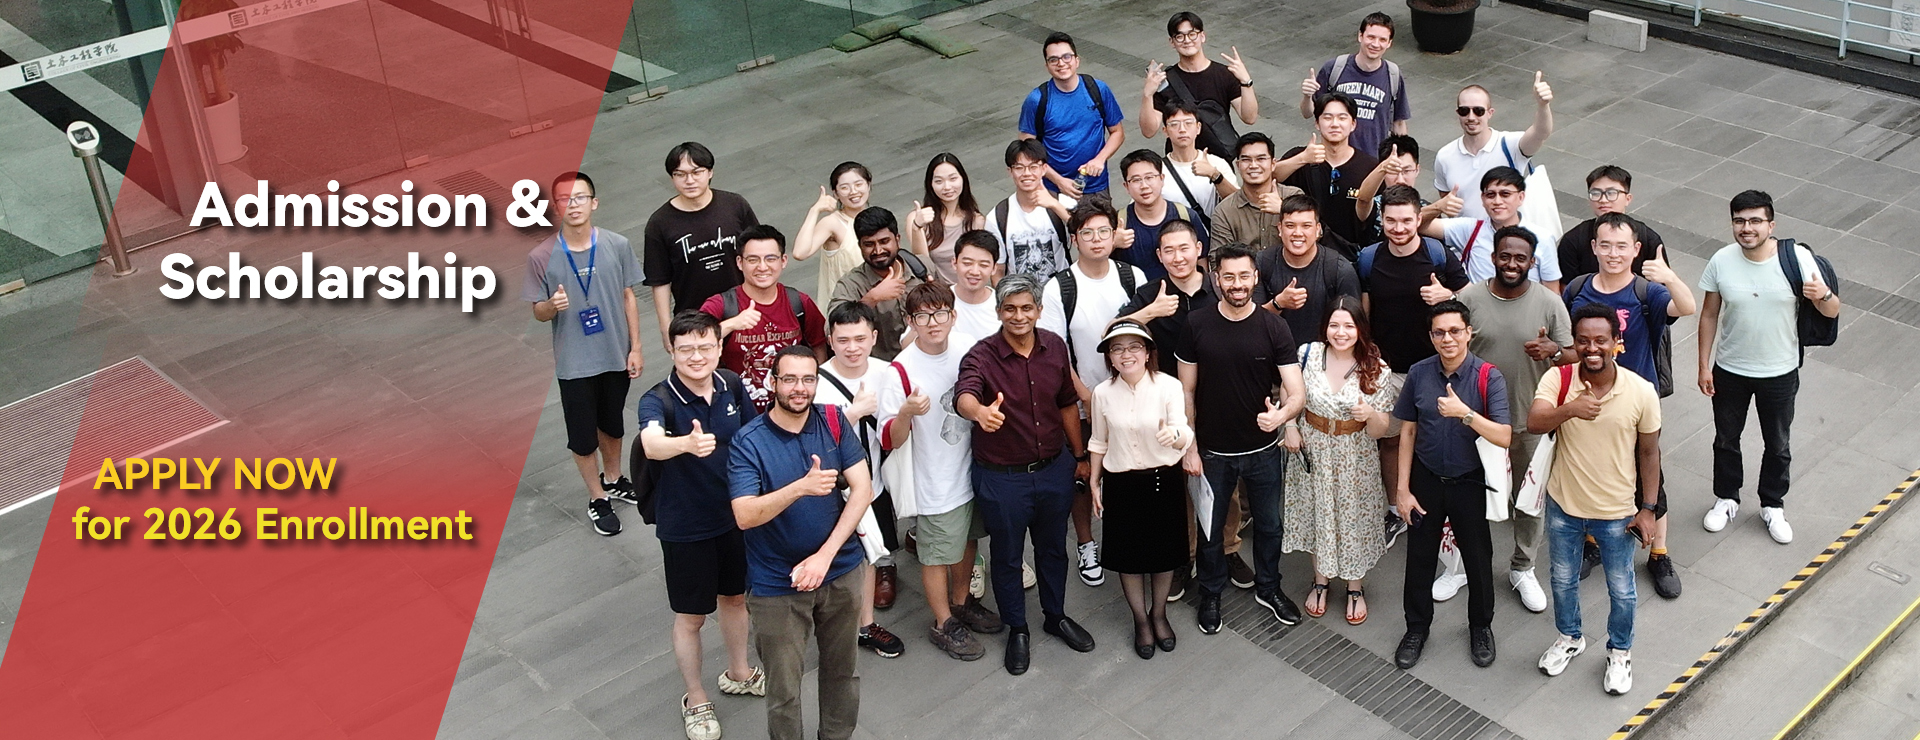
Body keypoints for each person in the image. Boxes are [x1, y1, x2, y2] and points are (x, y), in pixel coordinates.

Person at [955, 273, 1097, 675]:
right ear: (999, 312)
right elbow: (964, 394)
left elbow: (1067, 403)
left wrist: (1079, 455)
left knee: (1053, 549)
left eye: (1026, 308)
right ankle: (1018, 628)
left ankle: (1055, 616)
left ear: (1038, 310)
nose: (1019, 316)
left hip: (1054, 470)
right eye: (1010, 309)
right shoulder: (981, 356)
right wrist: (979, 412)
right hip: (1003, 479)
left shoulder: (1055, 346)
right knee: (1007, 556)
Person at [729, 346, 871, 740]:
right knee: (784, 690)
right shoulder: (749, 442)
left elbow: (863, 489)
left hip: (840, 571)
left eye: (808, 379)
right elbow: (745, 515)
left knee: (843, 672)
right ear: (772, 382)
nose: (799, 388)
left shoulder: (832, 421)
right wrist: (800, 488)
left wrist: (824, 557)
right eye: (789, 379)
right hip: (777, 585)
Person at [639, 311, 764, 740]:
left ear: (718, 346)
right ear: (672, 351)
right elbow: (651, 444)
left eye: (705, 346)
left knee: (735, 598)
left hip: (733, 517)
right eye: (686, 349)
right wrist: (686, 444)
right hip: (686, 526)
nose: (697, 356)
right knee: (691, 616)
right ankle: (695, 698)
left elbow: (753, 434)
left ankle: (739, 671)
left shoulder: (731, 383)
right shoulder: (657, 400)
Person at [1530, 303, 1663, 697]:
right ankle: (1570, 637)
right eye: (1583, 341)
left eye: (1601, 340)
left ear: (1616, 342)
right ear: (1574, 343)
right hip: (1564, 506)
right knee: (1562, 580)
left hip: (1617, 514)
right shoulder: (1558, 379)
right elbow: (1534, 422)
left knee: (1622, 589)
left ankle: (1619, 651)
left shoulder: (1641, 391)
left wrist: (1649, 509)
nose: (1592, 348)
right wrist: (1571, 409)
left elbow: (1650, 453)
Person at [1177, 244, 1308, 634]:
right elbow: (1186, 392)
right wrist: (1190, 447)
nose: (1237, 284)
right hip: (1212, 452)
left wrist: (1282, 416)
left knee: (1270, 526)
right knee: (1210, 530)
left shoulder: (1274, 327)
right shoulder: (1196, 324)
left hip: (1263, 451)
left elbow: (1296, 391)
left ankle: (1269, 588)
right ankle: (1210, 592)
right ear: (1217, 279)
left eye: (1244, 276)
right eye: (1229, 277)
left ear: (1256, 278)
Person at [1564, 213, 1695, 597]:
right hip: (1589, 398)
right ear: (1594, 247)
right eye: (1605, 245)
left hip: (1636, 403)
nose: (1613, 253)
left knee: (1649, 474)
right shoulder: (1578, 288)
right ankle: (1593, 543)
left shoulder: (1646, 292)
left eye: (1622, 246)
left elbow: (1687, 307)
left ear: (1636, 250)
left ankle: (1659, 553)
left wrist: (1669, 277)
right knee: (1593, 472)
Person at [1698, 190, 1840, 544]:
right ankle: (1726, 498)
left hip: (1780, 371)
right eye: (1739, 221)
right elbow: (1709, 314)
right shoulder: (1721, 260)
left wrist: (1823, 295)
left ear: (1771, 225)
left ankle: (1772, 504)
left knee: (1777, 443)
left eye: (1755, 221)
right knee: (1726, 439)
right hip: (1730, 368)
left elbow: (1832, 310)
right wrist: (1703, 366)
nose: (1747, 228)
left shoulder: (1798, 259)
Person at [880, 282, 1006, 660]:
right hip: (934, 478)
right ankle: (942, 621)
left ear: (953, 316)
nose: (932, 323)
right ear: (910, 321)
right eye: (922, 316)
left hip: (974, 468)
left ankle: (961, 602)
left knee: (969, 539)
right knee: (935, 554)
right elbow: (891, 440)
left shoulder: (969, 347)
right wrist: (906, 413)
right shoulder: (900, 371)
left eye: (939, 314)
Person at [1456, 226, 1575, 614]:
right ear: (1493, 257)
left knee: (1529, 500)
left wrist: (1554, 350)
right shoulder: (1469, 299)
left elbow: (1574, 355)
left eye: (1520, 258)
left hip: (1529, 422)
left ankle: (1523, 567)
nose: (1512, 264)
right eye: (1505, 256)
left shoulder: (1549, 303)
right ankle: (1460, 563)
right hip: (1475, 421)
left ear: (1532, 262)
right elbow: (1448, 346)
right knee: (1467, 496)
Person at [1391, 300, 1512, 670]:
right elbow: (1408, 431)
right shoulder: (1419, 373)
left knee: (1478, 558)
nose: (1448, 339)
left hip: (1469, 482)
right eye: (1440, 332)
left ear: (1469, 332)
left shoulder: (1489, 377)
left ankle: (1480, 627)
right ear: (1431, 337)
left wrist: (1466, 414)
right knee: (1420, 557)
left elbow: (1504, 435)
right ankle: (1416, 628)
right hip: (1426, 479)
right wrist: (1402, 489)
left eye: (1455, 331)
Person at [1116, 220, 1233, 600]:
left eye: (1185, 248)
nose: (1178, 257)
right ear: (1159, 255)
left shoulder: (1220, 286)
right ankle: (1186, 556)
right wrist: (1150, 312)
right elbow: (1111, 332)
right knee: (1178, 485)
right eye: (1169, 250)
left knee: (1223, 481)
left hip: (1218, 399)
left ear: (1199, 249)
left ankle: (1229, 549)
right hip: (1166, 406)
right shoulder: (1151, 293)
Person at [523, 171, 644, 536]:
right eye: (564, 199)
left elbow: (628, 297)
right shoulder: (541, 256)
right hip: (574, 362)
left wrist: (636, 347)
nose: (573, 205)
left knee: (613, 422)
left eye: (580, 197)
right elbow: (537, 311)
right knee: (582, 435)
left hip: (614, 354)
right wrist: (551, 305)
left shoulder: (616, 244)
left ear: (594, 202)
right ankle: (597, 497)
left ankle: (614, 478)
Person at [1360, 185, 1470, 566]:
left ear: (1419, 218)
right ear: (1382, 220)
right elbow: (1365, 310)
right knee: (1391, 440)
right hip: (1389, 369)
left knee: (1440, 441)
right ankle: (1395, 508)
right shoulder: (1369, 259)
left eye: (1407, 220)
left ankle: (1443, 512)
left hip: (1436, 369)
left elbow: (1470, 300)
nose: (1399, 228)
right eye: (1391, 220)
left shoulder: (1437, 255)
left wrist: (1447, 297)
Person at [1040, 198, 1148, 587]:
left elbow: (1144, 338)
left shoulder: (1132, 276)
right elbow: (1055, 352)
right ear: (1074, 239)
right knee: (1083, 472)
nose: (1097, 239)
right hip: (1083, 402)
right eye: (1088, 233)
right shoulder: (1059, 288)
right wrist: (1087, 396)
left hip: (1133, 397)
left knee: (1133, 469)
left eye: (1104, 231)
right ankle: (1086, 542)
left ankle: (1133, 538)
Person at [1280, 297, 1400, 626]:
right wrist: (1290, 425)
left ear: (1361, 329)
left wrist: (1370, 413)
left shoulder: (1376, 367)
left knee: (1351, 518)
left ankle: (1354, 587)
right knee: (1318, 513)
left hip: (1354, 454)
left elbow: (1380, 430)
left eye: (1349, 325)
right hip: (1314, 446)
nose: (1341, 332)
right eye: (1334, 325)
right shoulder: (1308, 354)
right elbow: (1289, 393)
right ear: (1325, 327)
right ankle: (1320, 581)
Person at [1088, 321, 1192, 658]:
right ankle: (1140, 620)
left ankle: (1159, 614)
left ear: (1148, 353)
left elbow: (1184, 431)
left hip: (1163, 479)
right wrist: (1094, 481)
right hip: (1122, 483)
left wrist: (1173, 436)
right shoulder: (1102, 393)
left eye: (1135, 346)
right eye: (1117, 349)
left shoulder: (1168, 386)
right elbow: (1099, 441)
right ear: (1110, 358)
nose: (1126, 354)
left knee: (1164, 555)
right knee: (1129, 558)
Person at [810, 302, 906, 658]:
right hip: (827, 490)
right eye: (843, 340)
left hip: (871, 483)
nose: (852, 348)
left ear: (874, 337)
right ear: (830, 340)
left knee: (868, 554)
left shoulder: (887, 372)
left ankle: (865, 625)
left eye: (860, 339)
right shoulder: (816, 382)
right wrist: (853, 414)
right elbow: (809, 443)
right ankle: (826, 625)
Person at [700, 225, 829, 411]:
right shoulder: (720, 305)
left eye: (770, 259)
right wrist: (731, 324)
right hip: (738, 412)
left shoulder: (799, 303)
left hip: (793, 411)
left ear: (783, 261)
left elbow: (819, 346)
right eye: (753, 259)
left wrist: (816, 389)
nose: (762, 267)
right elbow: (694, 343)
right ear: (739, 262)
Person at [645, 142, 760, 350]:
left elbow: (759, 252)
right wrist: (665, 328)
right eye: (680, 174)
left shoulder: (735, 205)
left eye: (697, 172)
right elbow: (659, 280)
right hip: (693, 318)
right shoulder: (659, 223)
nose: (689, 180)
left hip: (744, 309)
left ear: (710, 172)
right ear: (672, 178)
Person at [1433, 77, 1554, 223]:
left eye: (1478, 111)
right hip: (1467, 235)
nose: (1471, 117)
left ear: (1490, 113)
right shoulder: (1445, 156)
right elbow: (1445, 198)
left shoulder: (1510, 144)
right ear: (1458, 113)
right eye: (1464, 111)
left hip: (1508, 233)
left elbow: (1541, 132)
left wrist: (1543, 105)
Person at [1020, 32, 1125, 197]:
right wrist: (1058, 181)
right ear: (1047, 66)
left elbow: (1117, 132)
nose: (1061, 63)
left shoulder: (1097, 89)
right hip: (1053, 190)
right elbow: (1027, 150)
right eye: (1053, 59)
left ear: (1077, 60)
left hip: (1096, 186)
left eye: (1066, 57)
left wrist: (1100, 159)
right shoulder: (1037, 100)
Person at [1422, 167, 1562, 290]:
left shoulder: (1542, 238)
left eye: (1505, 194)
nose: (1497, 201)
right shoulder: (1469, 229)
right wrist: (1437, 207)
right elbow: (1416, 225)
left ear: (1521, 197)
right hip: (1477, 309)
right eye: (1490, 195)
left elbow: (1552, 292)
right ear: (1482, 199)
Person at [1141, 12, 1258, 155]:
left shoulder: (1224, 74)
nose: (1187, 40)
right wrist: (1147, 94)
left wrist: (1246, 81)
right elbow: (1149, 131)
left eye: (1192, 34)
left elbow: (1249, 117)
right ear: (1172, 42)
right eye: (1179, 36)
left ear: (1202, 36)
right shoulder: (1164, 81)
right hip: (1179, 159)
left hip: (1219, 159)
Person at [1274, 92, 1381, 247]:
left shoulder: (1369, 166)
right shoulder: (1299, 156)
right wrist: (1303, 158)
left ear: (1353, 124)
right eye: (1327, 117)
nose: (1335, 124)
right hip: (1304, 249)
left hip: (1351, 254)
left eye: (1342, 118)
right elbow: (1270, 177)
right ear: (1317, 123)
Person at [1299, 13, 1410, 161]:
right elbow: (1308, 113)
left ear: (1389, 43)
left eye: (1382, 39)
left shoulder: (1393, 75)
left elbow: (1399, 123)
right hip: (1333, 159)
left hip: (1374, 162)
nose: (1375, 44)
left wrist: (1403, 160)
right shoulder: (1334, 69)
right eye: (1371, 37)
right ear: (1360, 36)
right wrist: (1307, 96)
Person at [1255, 194, 1361, 343]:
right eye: (1290, 226)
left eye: (1306, 226)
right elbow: (1250, 322)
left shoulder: (1339, 269)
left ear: (1318, 230)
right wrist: (1278, 303)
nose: (1298, 233)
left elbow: (1354, 326)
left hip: (1323, 353)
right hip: (1272, 351)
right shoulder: (1262, 262)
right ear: (1280, 229)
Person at [829, 207, 930, 362]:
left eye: (884, 241)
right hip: (883, 368)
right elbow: (832, 330)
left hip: (929, 360)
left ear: (897, 239)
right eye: (869, 244)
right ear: (860, 246)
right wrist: (872, 298)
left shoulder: (922, 267)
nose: (878, 250)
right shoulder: (850, 285)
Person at [989, 138, 1079, 280]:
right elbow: (998, 270)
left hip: (1061, 289)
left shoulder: (1064, 203)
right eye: (1019, 167)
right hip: (1020, 292)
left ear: (1044, 169)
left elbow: (1086, 233)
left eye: (1033, 167)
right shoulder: (997, 216)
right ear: (1010, 171)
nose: (1026, 173)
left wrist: (1055, 205)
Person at [1117, 149, 1209, 283]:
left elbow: (1202, 260)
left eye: (1149, 177)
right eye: (1136, 180)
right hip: (1139, 295)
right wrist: (1112, 244)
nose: (1144, 186)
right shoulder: (1119, 223)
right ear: (1126, 186)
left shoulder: (1185, 215)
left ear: (1162, 179)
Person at [1558, 165, 1664, 280]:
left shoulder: (1648, 239)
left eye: (1612, 193)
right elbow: (1567, 287)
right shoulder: (1573, 240)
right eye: (1596, 193)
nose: (1603, 200)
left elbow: (1663, 283)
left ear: (1628, 199)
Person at [1209, 132, 1306, 251]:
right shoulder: (1224, 211)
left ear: (1273, 164)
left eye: (1261, 159)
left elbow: (1313, 237)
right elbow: (1218, 257)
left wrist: (1284, 209)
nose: (1253, 165)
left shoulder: (1294, 196)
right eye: (1246, 160)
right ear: (1238, 166)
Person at [794, 162, 874, 300]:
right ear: (835, 193)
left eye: (858, 184)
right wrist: (815, 210)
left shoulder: (878, 217)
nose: (853, 191)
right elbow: (800, 253)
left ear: (868, 185)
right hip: (846, 306)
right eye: (844, 187)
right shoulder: (833, 223)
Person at [909, 153, 987, 285]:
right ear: (930, 184)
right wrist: (917, 227)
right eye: (939, 181)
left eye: (953, 179)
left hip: (968, 290)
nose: (947, 187)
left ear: (963, 179)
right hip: (937, 293)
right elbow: (922, 264)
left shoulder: (977, 220)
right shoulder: (918, 217)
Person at [1157, 102, 1241, 218]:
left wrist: (1215, 175)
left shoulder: (1216, 163)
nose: (1182, 129)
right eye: (1174, 124)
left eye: (1188, 123)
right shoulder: (1156, 170)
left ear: (1198, 128)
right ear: (1165, 131)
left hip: (1213, 229)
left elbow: (1238, 203)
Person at [1355, 134, 1433, 247]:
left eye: (1406, 171)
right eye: (1393, 171)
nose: (1400, 180)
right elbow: (1363, 199)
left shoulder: (1427, 207)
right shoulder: (1374, 207)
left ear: (1417, 170)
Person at [951, 230, 1004, 340]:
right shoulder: (938, 304)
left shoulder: (1005, 307)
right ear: (954, 263)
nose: (975, 272)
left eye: (983, 265)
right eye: (967, 263)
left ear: (994, 268)